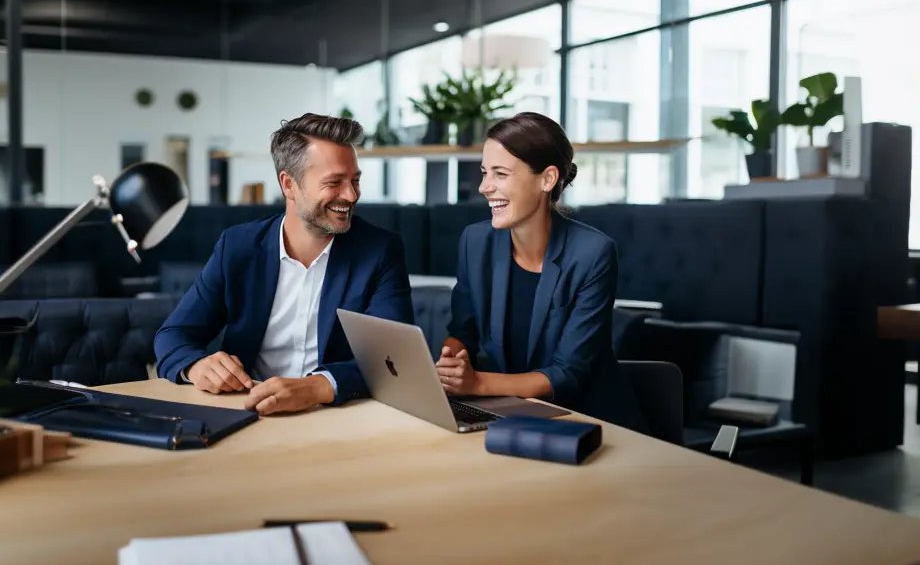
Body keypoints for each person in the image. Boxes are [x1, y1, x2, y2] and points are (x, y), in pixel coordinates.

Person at [154, 113, 413, 415]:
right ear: (289, 185)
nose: (351, 195)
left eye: (355, 180)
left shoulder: (380, 250)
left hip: (338, 417)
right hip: (250, 414)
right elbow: (173, 335)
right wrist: (196, 366)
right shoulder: (237, 247)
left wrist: (319, 386)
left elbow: (395, 359)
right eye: (334, 182)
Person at [436, 111, 646, 432]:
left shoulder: (592, 253)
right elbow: (462, 332)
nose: (484, 186)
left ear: (547, 179)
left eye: (500, 174)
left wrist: (476, 383)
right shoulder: (475, 242)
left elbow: (567, 373)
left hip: (585, 421)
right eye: (484, 172)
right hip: (512, 414)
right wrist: (452, 362)